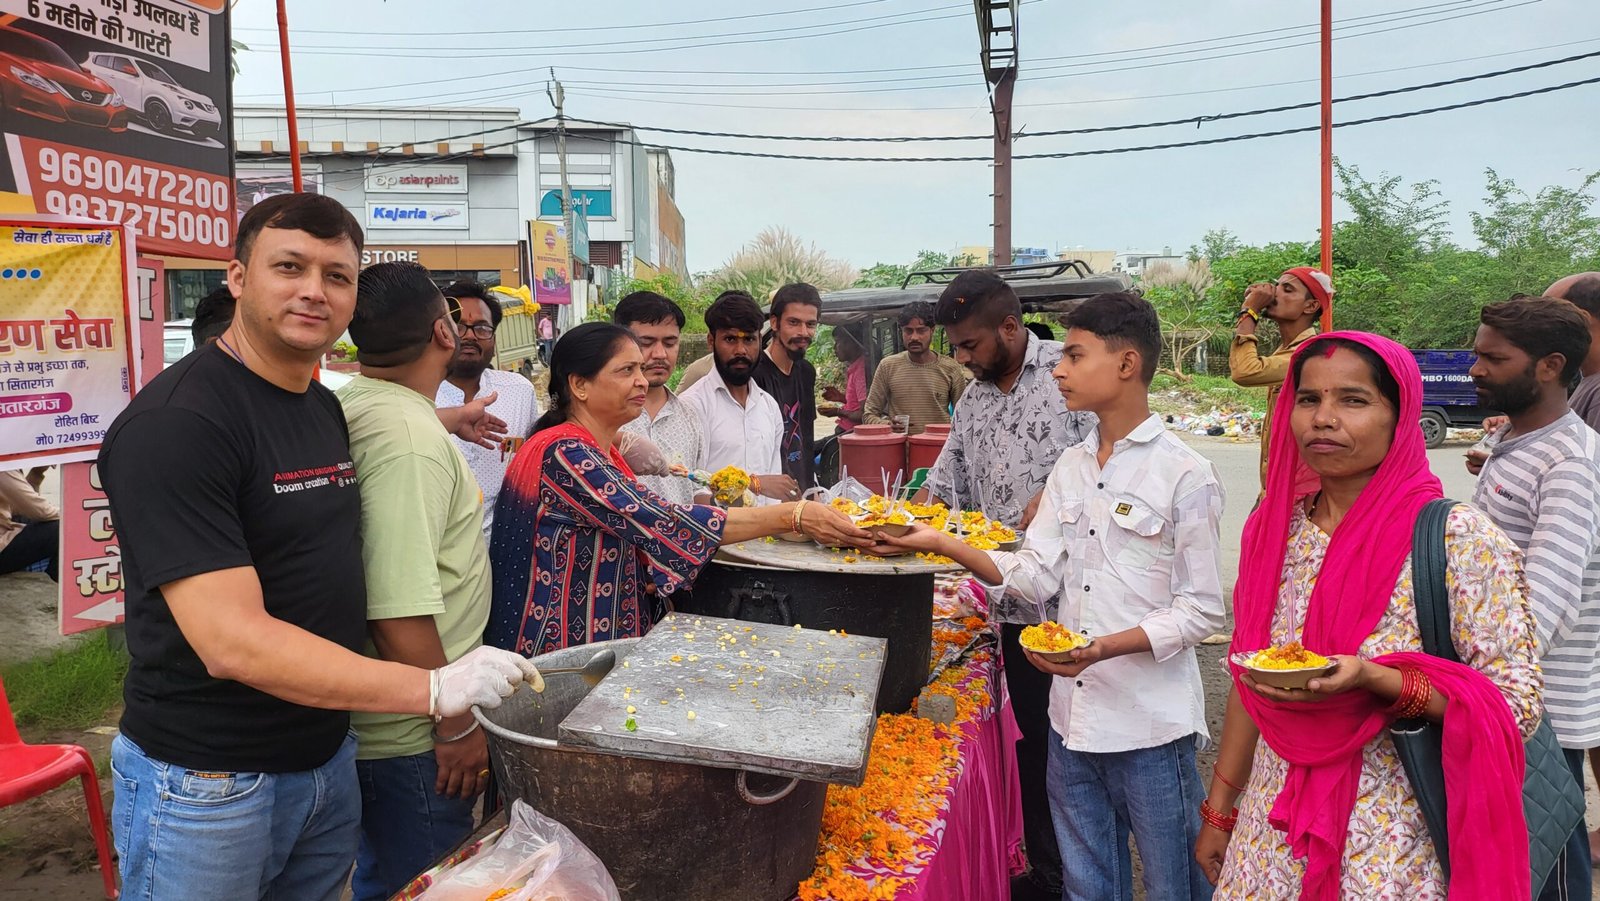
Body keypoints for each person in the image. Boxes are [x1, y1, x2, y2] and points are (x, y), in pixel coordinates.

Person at [97, 193, 538, 901]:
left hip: (326, 763)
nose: (314, 290)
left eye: (337, 275)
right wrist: (434, 690)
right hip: (211, 782)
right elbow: (232, 642)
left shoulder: (320, 404)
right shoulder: (178, 425)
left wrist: (444, 418)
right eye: (290, 267)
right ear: (237, 278)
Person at [882, 292, 1226, 901]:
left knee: (1176, 881)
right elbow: (1036, 575)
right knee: (1088, 882)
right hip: (1071, 720)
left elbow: (1201, 610)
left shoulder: (1186, 474)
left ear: (1125, 364)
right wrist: (938, 540)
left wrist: (1102, 648)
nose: (1058, 368)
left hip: (1147, 724)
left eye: (1073, 354)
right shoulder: (1070, 466)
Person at [1197, 332, 1540, 899]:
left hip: (1392, 844)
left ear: (1399, 416)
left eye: (1353, 400)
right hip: (1270, 834)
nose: (1323, 419)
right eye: (1308, 400)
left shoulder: (1457, 539)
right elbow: (1249, 677)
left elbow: (1515, 707)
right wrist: (1220, 808)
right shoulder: (1275, 531)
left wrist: (1379, 680)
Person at [485, 323, 873, 656]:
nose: (641, 379)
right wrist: (794, 515)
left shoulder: (588, 444)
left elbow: (619, 531)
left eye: (640, 369)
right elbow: (660, 520)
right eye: (625, 370)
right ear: (580, 385)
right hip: (563, 651)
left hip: (594, 640)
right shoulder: (565, 451)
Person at [915, 269, 1096, 900]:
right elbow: (946, 477)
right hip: (1002, 600)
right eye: (956, 349)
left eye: (970, 346)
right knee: (1028, 749)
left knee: (1069, 754)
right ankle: (1039, 871)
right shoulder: (974, 398)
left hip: (1075, 607)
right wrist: (903, 522)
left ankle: (1073, 875)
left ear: (1010, 328)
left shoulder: (1070, 372)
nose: (962, 359)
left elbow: (1113, 449)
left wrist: (1058, 492)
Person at [335, 262, 496, 900]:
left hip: (392, 717)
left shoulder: (368, 404)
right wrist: (454, 724)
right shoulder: (407, 439)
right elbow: (396, 605)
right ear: (442, 333)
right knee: (423, 886)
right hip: (412, 733)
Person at [1468, 295, 1600, 900]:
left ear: (1548, 365)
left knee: (1551, 875)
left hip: (1537, 709)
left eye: (1493, 359)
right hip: (1505, 703)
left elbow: (1546, 599)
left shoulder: (1569, 462)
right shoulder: (1520, 442)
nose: (1475, 369)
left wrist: (1487, 694)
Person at [434, 280, 540, 541]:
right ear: (439, 331)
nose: (469, 335)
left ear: (494, 337)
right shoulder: (417, 394)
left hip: (505, 549)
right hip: (438, 552)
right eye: (458, 326)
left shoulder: (518, 391)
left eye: (481, 328)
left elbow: (531, 464)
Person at [680, 292, 799, 503]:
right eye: (730, 339)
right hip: (717, 534)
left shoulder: (768, 407)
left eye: (750, 339)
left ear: (760, 341)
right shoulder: (692, 406)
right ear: (711, 341)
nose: (741, 350)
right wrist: (752, 484)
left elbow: (774, 494)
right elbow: (688, 491)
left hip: (767, 534)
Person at [1228, 267, 1329, 487]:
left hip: (1302, 491)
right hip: (1278, 488)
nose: (1275, 293)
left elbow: (1245, 371)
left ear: (1310, 306)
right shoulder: (1285, 352)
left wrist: (1249, 311)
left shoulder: (1308, 354)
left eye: (1288, 289)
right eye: (1277, 285)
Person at [614, 291, 706, 506]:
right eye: (646, 342)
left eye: (670, 342)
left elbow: (694, 485)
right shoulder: (601, 413)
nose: (660, 354)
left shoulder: (688, 415)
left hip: (679, 539)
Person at [753, 283, 821, 489]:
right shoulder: (754, 374)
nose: (803, 332)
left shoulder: (806, 372)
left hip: (799, 492)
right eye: (793, 322)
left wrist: (811, 489)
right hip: (766, 494)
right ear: (774, 323)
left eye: (810, 324)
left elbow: (806, 436)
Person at [864, 300, 968, 435]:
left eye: (921, 331)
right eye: (908, 331)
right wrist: (887, 425)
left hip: (938, 451)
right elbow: (869, 415)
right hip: (899, 452)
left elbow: (966, 417)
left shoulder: (951, 368)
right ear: (901, 331)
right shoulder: (888, 366)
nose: (914, 337)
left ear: (932, 330)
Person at [0, 469, 59, 580]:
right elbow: (41, 511)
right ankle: (53, 584)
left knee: (34, 521)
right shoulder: (5, 467)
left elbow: (18, 506)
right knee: (61, 530)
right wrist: (74, 515)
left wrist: (37, 473)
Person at [820, 323, 867, 433]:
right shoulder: (856, 366)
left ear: (853, 343)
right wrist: (841, 397)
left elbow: (864, 414)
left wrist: (838, 412)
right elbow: (857, 405)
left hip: (850, 433)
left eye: (838, 342)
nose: (834, 348)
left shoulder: (861, 372)